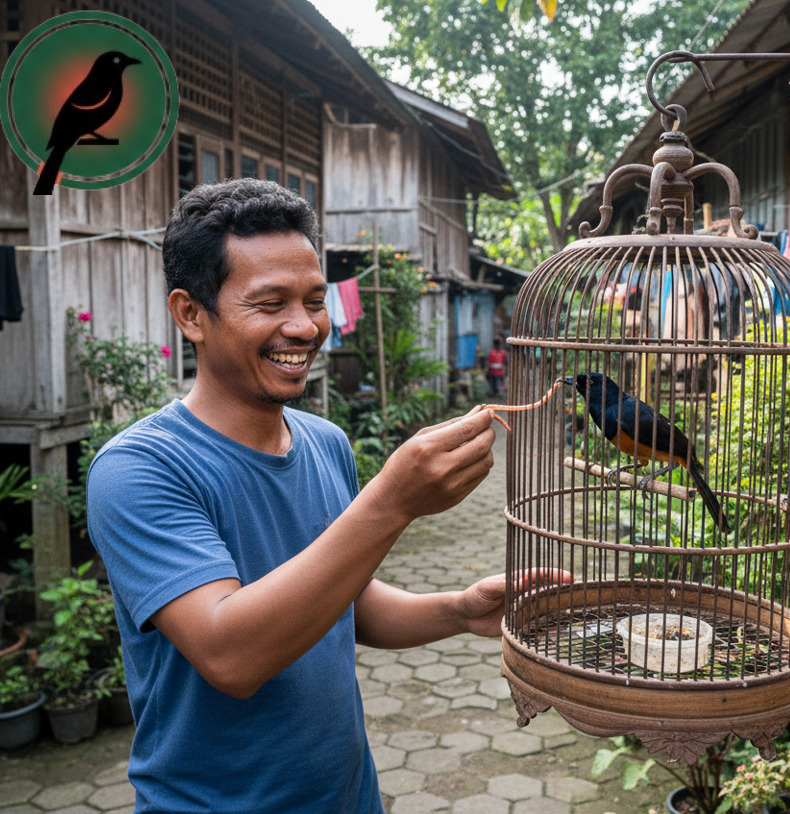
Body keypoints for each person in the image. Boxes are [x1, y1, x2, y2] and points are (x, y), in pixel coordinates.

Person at [87, 179, 510, 813]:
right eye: (270, 303)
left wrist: (458, 611)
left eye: (315, 301)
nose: (304, 326)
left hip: (349, 796)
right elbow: (231, 655)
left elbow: (342, 600)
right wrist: (392, 502)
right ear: (191, 314)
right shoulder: (139, 469)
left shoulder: (325, 442)